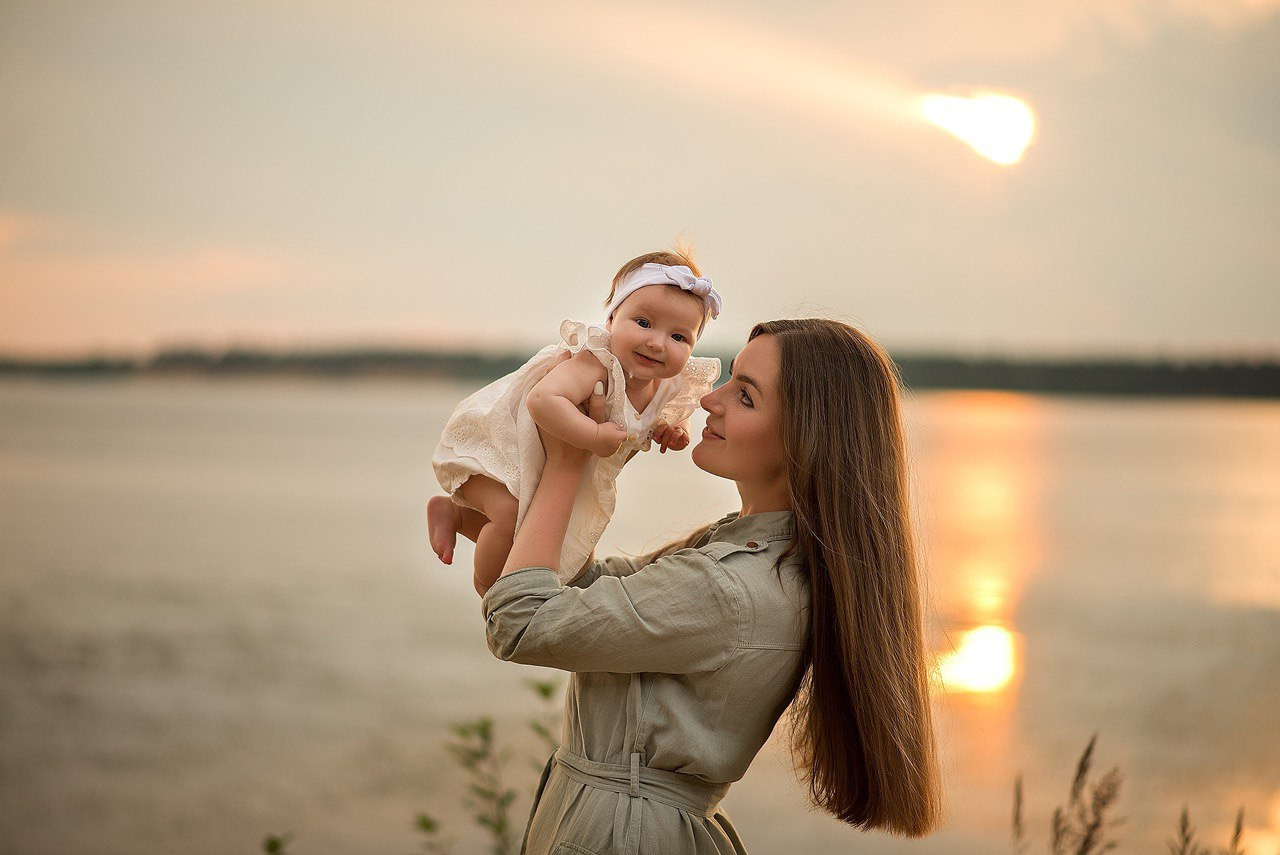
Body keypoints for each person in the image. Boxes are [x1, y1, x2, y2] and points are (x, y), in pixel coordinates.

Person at [477, 318, 942, 854]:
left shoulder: (729, 587)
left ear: (806, 438)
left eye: (744, 396)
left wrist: (566, 464)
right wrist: (599, 449)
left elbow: (521, 622)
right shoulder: (743, 553)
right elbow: (576, 586)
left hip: (623, 837)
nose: (708, 401)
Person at [428, 249, 723, 596]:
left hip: (548, 467)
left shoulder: (672, 384)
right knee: (510, 516)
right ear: (612, 319)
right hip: (501, 453)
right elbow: (543, 400)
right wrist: (594, 434)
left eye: (679, 337)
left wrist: (675, 429)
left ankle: (457, 516)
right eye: (643, 323)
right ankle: (493, 592)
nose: (657, 343)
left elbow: (672, 412)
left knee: (542, 534)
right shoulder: (596, 362)